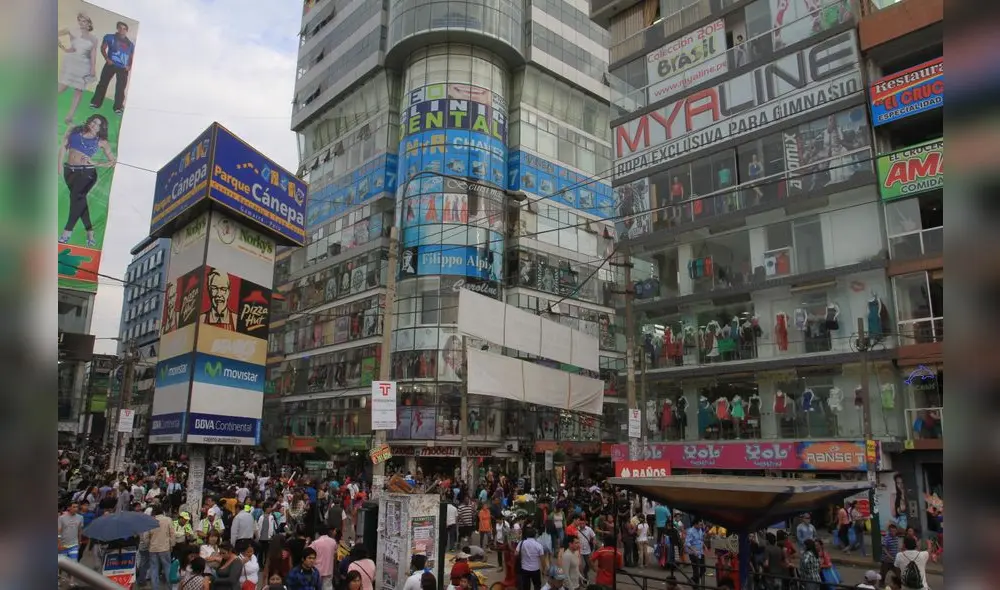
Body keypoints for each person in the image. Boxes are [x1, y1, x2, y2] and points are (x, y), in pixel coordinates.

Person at [57, 12, 98, 124]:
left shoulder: (94, 39)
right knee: (62, 86)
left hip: (84, 66)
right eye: (79, 20)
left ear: (89, 23)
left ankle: (69, 116)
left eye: (83, 21)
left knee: (79, 91)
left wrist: (93, 68)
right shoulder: (72, 31)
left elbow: (93, 54)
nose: (81, 23)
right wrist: (63, 47)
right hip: (71, 63)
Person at [89, 20, 135, 114]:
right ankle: (95, 103)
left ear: (126, 30)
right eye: (120, 28)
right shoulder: (109, 37)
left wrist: (129, 66)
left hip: (123, 68)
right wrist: (107, 59)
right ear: (117, 28)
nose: (122, 30)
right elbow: (103, 48)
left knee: (120, 88)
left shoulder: (130, 44)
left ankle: (118, 107)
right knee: (103, 83)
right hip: (111, 65)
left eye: (124, 29)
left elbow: (131, 56)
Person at [684, 519, 706, 586]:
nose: (701, 525)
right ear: (695, 524)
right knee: (696, 572)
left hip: (700, 552)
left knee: (703, 569)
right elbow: (687, 543)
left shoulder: (700, 530)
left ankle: (692, 580)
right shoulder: (690, 531)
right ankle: (695, 586)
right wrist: (694, 550)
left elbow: (700, 539)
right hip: (693, 553)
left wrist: (704, 546)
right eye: (700, 524)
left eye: (701, 524)